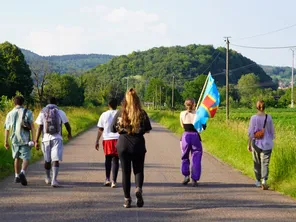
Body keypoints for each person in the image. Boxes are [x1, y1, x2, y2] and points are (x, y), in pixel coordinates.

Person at [111, 88, 152, 208]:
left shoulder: (120, 113)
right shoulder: (142, 113)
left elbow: (113, 128)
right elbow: (148, 129)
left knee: (125, 172)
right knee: (138, 170)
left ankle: (127, 199)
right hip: (138, 143)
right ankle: (138, 189)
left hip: (123, 144)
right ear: (137, 99)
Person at [35, 96, 72, 187]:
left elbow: (39, 127)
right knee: (55, 159)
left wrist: (36, 141)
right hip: (57, 138)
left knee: (47, 160)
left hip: (45, 139)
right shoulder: (60, 112)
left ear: (47, 102)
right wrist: (69, 133)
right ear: (56, 103)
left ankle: (47, 177)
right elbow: (67, 125)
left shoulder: (42, 112)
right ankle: (54, 180)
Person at [4, 96, 36, 186]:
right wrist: (34, 139)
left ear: (14, 103)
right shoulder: (28, 112)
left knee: (16, 157)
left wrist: (6, 141)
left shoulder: (10, 113)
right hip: (25, 139)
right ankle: (22, 172)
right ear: (23, 103)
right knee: (26, 157)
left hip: (14, 139)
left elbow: (7, 129)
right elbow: (32, 127)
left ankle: (16, 176)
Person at [248, 100, 275, 190]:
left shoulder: (253, 118)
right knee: (265, 163)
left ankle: (257, 181)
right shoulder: (269, 117)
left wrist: (249, 144)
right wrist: (269, 139)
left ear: (257, 107)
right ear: (265, 107)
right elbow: (272, 132)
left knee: (257, 162)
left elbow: (251, 132)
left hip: (256, 143)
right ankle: (264, 180)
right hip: (267, 143)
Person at [95, 98, 119, 188]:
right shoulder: (120, 114)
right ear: (117, 105)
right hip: (118, 139)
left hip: (107, 140)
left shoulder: (104, 114)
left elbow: (100, 129)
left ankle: (107, 179)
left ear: (108, 105)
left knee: (108, 159)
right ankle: (114, 181)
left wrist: (97, 140)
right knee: (116, 160)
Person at [179, 98, 203, 187]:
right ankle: (194, 179)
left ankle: (186, 175)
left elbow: (182, 125)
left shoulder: (182, 114)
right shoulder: (198, 114)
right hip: (195, 136)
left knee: (184, 156)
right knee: (196, 157)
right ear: (194, 105)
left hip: (185, 136)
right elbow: (201, 127)